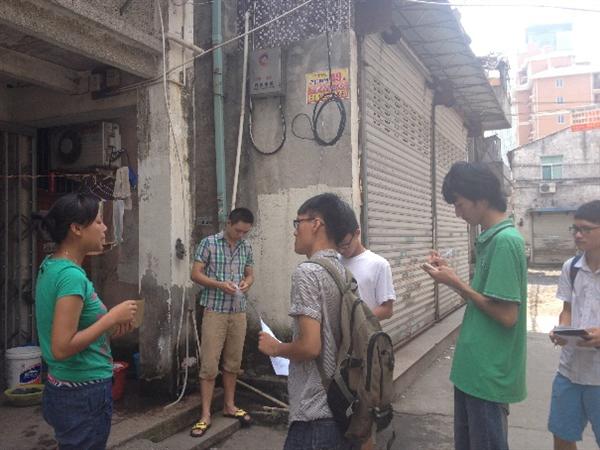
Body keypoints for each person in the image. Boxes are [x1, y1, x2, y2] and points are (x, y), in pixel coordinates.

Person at [422, 162, 527, 450]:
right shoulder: (490, 240)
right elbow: (482, 302)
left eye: (459, 204)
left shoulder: (505, 242)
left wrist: (456, 283)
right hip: (473, 371)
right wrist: (452, 279)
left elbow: (507, 315)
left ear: (481, 199)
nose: (458, 213)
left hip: (488, 375)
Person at [34, 192, 138, 450]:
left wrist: (109, 328)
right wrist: (110, 318)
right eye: (99, 221)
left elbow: (71, 328)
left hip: (65, 387)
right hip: (82, 393)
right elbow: (61, 347)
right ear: (77, 228)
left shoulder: (51, 265)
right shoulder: (71, 277)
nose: (105, 228)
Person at [258, 193, 353, 450]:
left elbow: (310, 347)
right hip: (341, 408)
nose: (295, 231)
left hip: (314, 414)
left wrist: (276, 347)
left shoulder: (307, 272)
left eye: (298, 222)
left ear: (316, 224)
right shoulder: (342, 271)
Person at [190, 207, 255, 437]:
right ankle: (205, 415)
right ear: (228, 223)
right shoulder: (209, 243)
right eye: (238, 230)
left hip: (238, 311)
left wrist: (247, 283)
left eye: (245, 232)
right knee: (209, 364)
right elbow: (195, 274)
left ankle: (229, 405)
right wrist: (219, 285)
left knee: (233, 362)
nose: (241, 235)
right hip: (214, 310)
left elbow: (250, 274)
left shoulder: (246, 246)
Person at [548, 200, 600, 450]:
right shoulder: (571, 268)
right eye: (575, 229)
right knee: (562, 437)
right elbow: (567, 309)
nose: (578, 235)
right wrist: (563, 331)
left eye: (586, 229)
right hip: (569, 372)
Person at [337, 205, 395, 321]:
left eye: (345, 244)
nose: (341, 250)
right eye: (337, 246)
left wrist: (355, 322)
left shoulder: (379, 264)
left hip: (364, 331)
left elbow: (387, 310)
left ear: (357, 233)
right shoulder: (334, 261)